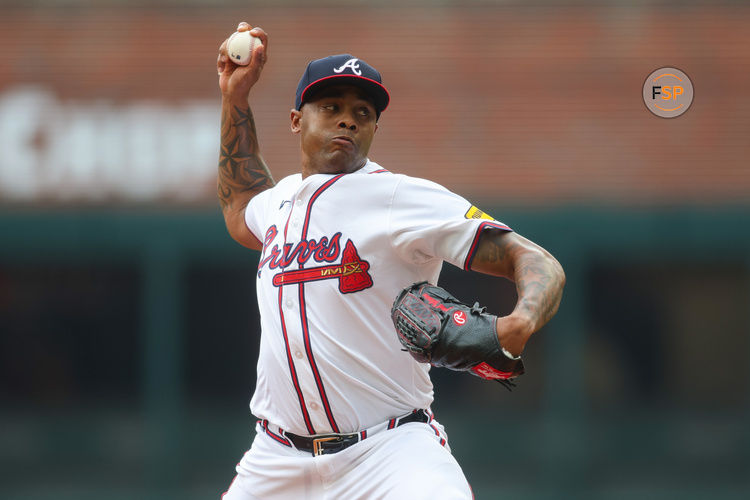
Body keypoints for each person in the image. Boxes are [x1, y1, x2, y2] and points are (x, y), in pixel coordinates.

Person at [216, 22, 565, 499]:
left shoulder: (398, 197)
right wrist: (235, 98)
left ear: (375, 127)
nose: (348, 120)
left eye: (362, 112)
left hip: (389, 451)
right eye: (331, 107)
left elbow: (534, 259)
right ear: (297, 120)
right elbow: (240, 205)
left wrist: (519, 323)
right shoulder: (277, 204)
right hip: (276, 459)